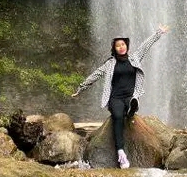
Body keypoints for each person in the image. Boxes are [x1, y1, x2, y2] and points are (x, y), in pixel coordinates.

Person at [71, 25, 169, 169]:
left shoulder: (135, 58)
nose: (121, 47)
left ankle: (131, 110)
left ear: (126, 46)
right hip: (115, 98)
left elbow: (146, 46)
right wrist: (81, 88)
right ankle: (121, 153)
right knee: (117, 116)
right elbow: (96, 75)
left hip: (130, 96)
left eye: (123, 44)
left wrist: (158, 33)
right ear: (114, 48)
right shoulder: (110, 64)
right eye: (118, 45)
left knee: (132, 102)